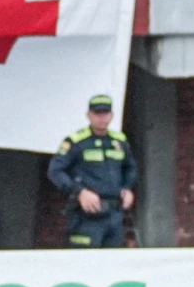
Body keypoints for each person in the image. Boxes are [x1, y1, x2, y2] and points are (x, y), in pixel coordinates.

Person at [47, 94, 136, 249]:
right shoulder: (76, 141)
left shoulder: (119, 141)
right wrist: (79, 191)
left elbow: (130, 167)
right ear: (88, 115)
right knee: (84, 265)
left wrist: (127, 188)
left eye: (105, 113)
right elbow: (55, 171)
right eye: (97, 113)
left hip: (114, 214)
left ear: (112, 115)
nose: (102, 118)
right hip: (87, 215)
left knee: (114, 264)